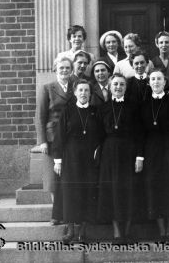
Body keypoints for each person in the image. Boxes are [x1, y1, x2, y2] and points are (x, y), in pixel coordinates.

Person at [52, 79, 103, 243]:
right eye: (80, 90)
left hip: (90, 159)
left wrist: (98, 152)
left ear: (90, 93)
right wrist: (58, 160)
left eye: (86, 91)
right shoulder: (68, 111)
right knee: (70, 192)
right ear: (75, 93)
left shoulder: (96, 111)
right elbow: (59, 136)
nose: (83, 93)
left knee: (87, 192)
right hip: (71, 158)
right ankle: (70, 229)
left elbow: (102, 135)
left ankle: (83, 230)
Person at [96, 74, 142, 241]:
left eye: (122, 84)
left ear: (126, 87)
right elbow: (99, 135)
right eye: (115, 84)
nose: (118, 87)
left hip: (129, 151)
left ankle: (128, 230)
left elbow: (139, 134)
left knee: (128, 190)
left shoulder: (134, 107)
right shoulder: (103, 108)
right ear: (109, 86)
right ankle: (116, 231)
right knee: (113, 191)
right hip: (110, 152)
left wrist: (139, 157)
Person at [137, 69, 169, 240]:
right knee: (154, 187)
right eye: (153, 79)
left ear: (165, 82)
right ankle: (161, 230)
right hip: (151, 149)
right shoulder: (144, 104)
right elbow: (140, 132)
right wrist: (140, 156)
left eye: (159, 79)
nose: (156, 82)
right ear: (149, 83)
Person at [35, 56, 74, 226]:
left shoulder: (76, 87)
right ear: (55, 70)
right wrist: (42, 140)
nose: (64, 71)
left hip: (72, 135)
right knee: (53, 176)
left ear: (71, 70)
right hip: (52, 137)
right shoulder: (47, 88)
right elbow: (40, 116)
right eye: (61, 68)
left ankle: (68, 212)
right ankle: (56, 213)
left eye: (67, 68)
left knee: (68, 175)